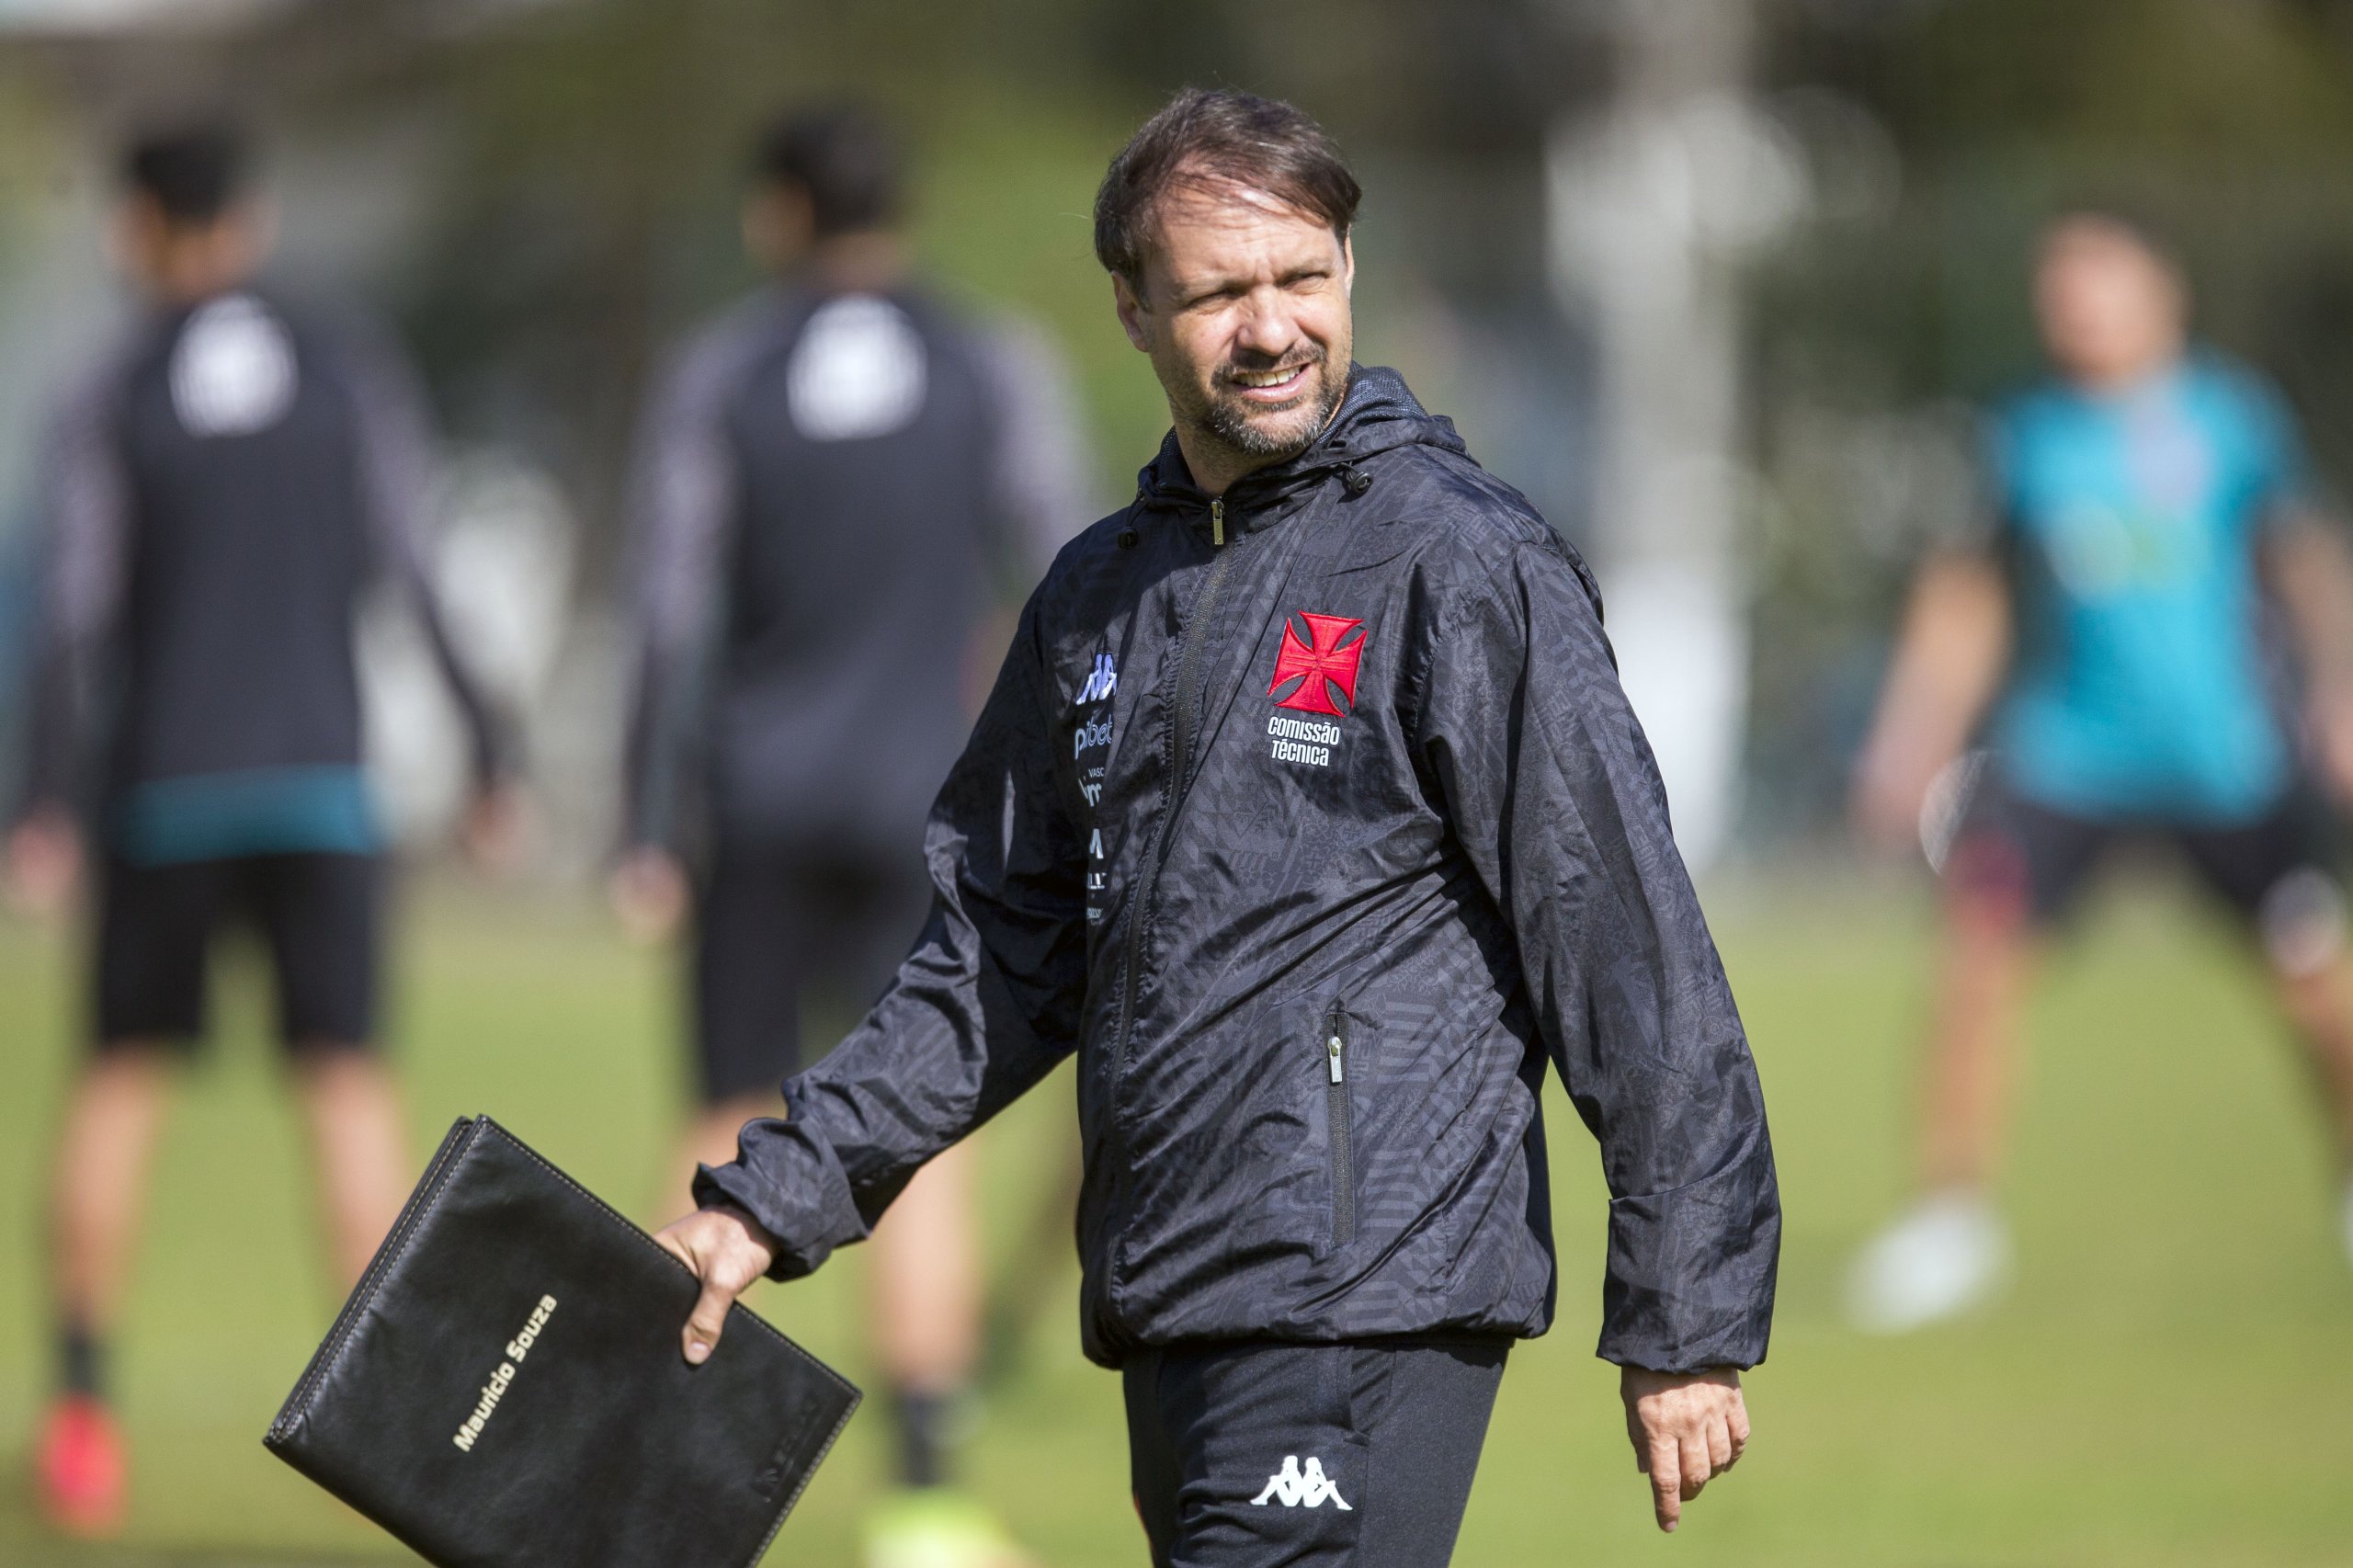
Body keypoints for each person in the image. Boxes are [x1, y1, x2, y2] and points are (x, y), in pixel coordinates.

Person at [654, 88, 1779, 1565]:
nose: (1271, 327)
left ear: (1348, 272)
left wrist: (1685, 1306)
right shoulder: (1096, 592)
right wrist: (775, 1197)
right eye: (1218, 292)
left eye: (1302, 278)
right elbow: (995, 956)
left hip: (1360, 1294)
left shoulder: (1457, 559)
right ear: (1131, 310)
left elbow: (1625, 939)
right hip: (1166, 1292)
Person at [8, 121, 519, 1538]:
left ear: (143, 229)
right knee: (345, 1085)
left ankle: (81, 1422)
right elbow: (415, 559)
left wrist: (39, 795)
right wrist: (490, 745)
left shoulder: (113, 384)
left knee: (119, 1083)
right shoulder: (344, 362)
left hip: (165, 789)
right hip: (320, 788)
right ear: (254, 215)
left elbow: (76, 603)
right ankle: (392, 1433)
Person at [610, 104, 1089, 1568]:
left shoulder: (724, 373)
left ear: (780, 214)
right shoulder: (988, 363)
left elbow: (665, 603)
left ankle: (617, 1458)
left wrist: (643, 813)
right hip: (926, 809)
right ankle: (930, 1493)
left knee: (720, 1114)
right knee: (921, 1136)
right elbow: (1072, 568)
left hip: (754, 803)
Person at [1847, 212, 2353, 1334]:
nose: (2073, 307)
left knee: (2314, 987)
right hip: (2062, 755)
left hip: (2228, 760)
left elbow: (2302, 563)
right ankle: (1951, 1222)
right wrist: (1910, 733)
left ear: (2159, 293)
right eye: (2057, 288)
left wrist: (2336, 693)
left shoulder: (2234, 420)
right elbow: (1966, 598)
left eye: (2097, 283)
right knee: (1976, 960)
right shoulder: (2021, 435)